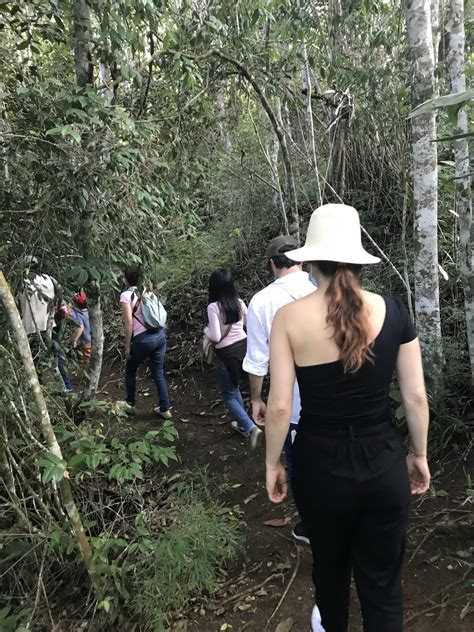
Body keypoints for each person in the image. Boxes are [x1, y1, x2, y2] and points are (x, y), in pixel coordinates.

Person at [265, 204, 430, 632]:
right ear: (357, 259)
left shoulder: (288, 319)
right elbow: (414, 395)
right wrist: (420, 454)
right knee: (383, 586)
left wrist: (273, 464)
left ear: (309, 260)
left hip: (320, 467)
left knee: (330, 575)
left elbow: (280, 405)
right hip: (383, 464)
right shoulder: (392, 311)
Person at [242, 236, 316, 544]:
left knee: (299, 463)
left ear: (272, 263)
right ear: (301, 259)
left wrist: (257, 399)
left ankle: (312, 526)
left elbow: (258, 361)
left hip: (294, 402)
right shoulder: (321, 288)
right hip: (336, 396)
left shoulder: (262, 300)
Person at [204, 268, 262, 449]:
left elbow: (215, 336)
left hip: (226, 355)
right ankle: (244, 425)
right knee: (234, 387)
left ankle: (252, 427)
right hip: (243, 350)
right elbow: (248, 325)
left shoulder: (213, 307)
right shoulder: (239, 303)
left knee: (228, 395)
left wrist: (205, 331)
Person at [120, 265, 172, 418]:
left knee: (130, 369)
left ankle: (130, 404)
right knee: (158, 372)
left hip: (143, 340)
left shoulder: (126, 296)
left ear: (126, 279)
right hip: (159, 336)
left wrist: (127, 347)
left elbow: (129, 323)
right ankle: (165, 408)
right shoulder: (146, 290)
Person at [19, 255, 61, 369]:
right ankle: (65, 383)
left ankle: (40, 383)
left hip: (31, 327)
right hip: (50, 324)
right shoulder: (50, 279)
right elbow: (60, 295)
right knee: (56, 355)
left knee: (35, 359)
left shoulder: (21, 283)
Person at [70, 292, 92, 367]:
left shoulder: (79, 315)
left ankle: (87, 374)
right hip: (93, 338)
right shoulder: (90, 311)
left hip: (86, 341)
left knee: (86, 360)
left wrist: (74, 340)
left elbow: (80, 327)